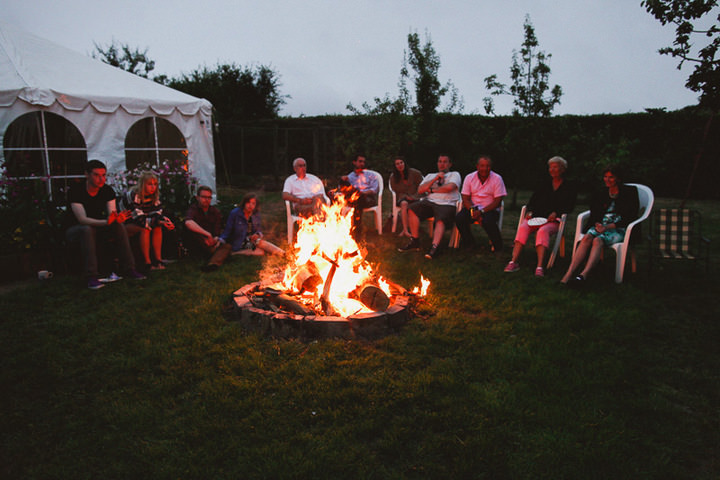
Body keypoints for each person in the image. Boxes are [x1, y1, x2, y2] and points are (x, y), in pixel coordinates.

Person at [65, 159, 146, 289]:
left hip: (99, 226)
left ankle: (129, 268)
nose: (101, 179)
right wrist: (106, 222)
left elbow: (111, 214)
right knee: (87, 229)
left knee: (118, 226)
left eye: (103, 175)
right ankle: (91, 276)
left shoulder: (107, 191)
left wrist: (116, 219)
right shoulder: (76, 191)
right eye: (96, 175)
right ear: (87, 175)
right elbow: (82, 219)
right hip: (76, 230)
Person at [560, 166, 640, 285]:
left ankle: (583, 275)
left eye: (611, 177)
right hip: (601, 226)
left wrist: (607, 227)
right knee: (587, 237)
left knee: (598, 240)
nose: (607, 180)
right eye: (605, 177)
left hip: (620, 228)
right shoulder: (601, 192)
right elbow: (595, 211)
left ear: (618, 178)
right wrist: (597, 223)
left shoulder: (630, 192)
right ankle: (568, 274)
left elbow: (630, 216)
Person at [504, 156, 577, 277]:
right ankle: (513, 261)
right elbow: (533, 201)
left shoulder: (569, 187)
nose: (552, 170)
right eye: (550, 167)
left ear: (563, 169)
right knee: (523, 227)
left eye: (555, 167)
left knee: (543, 231)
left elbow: (570, 206)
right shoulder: (544, 184)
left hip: (553, 221)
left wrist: (557, 213)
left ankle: (539, 266)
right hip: (537, 218)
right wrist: (531, 211)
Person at [398, 154, 462, 259]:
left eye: (445, 162)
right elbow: (420, 190)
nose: (442, 164)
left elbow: (450, 187)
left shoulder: (454, 175)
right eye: (440, 161)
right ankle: (415, 241)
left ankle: (435, 247)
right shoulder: (430, 175)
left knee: (440, 219)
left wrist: (432, 190)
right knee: (412, 209)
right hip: (430, 202)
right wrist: (436, 178)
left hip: (447, 203)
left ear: (450, 164)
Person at [202, 193, 284, 271]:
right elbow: (227, 230)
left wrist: (257, 234)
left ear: (255, 205)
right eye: (248, 202)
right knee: (260, 246)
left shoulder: (256, 214)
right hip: (236, 241)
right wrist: (220, 240)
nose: (250, 205)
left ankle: (282, 253)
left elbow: (258, 230)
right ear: (244, 203)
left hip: (249, 240)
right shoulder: (235, 213)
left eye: (253, 203)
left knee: (261, 251)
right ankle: (282, 254)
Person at [122, 171, 175, 271]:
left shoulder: (154, 196)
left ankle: (158, 260)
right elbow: (138, 219)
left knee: (157, 227)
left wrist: (165, 221)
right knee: (145, 228)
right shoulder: (133, 195)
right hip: (127, 223)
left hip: (144, 220)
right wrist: (158, 221)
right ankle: (147, 262)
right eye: (149, 184)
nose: (153, 187)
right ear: (142, 184)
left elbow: (157, 213)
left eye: (155, 184)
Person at [455, 155, 507, 253]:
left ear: (490, 167)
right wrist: (472, 210)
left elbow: (498, 201)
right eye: (482, 166)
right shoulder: (469, 177)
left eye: (487, 166)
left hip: (490, 208)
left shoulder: (497, 178)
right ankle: (469, 243)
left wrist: (481, 212)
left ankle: (498, 246)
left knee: (488, 220)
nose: (485, 169)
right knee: (459, 218)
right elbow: (465, 198)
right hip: (472, 208)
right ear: (477, 166)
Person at [184, 186, 223, 257]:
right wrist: (207, 235)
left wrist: (215, 238)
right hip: (198, 241)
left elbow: (217, 229)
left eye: (209, 197)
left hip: (211, 241)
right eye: (204, 197)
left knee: (226, 244)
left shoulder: (215, 211)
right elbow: (188, 222)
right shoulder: (193, 209)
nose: (206, 200)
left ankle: (214, 259)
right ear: (197, 197)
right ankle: (216, 255)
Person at [389, 156, 423, 237]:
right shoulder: (394, 177)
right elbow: (395, 190)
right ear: (395, 166)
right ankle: (405, 230)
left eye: (401, 163)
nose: (400, 165)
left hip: (415, 196)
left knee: (410, 205)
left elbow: (422, 187)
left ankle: (413, 227)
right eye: (397, 164)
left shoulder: (415, 173)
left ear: (404, 163)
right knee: (404, 203)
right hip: (402, 198)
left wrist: (414, 196)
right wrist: (405, 196)